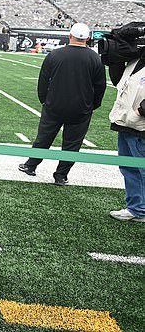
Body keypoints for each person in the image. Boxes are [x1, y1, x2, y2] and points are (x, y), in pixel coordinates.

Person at [19, 23, 106, 185]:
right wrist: (92, 105)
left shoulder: (55, 55)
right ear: (87, 38)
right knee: (72, 144)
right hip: (81, 108)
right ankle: (61, 175)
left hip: (54, 105)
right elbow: (100, 86)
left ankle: (31, 165)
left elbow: (43, 81)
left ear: (70, 35)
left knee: (44, 137)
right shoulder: (95, 58)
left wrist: (45, 100)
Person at [107, 48, 145, 223]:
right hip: (125, 122)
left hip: (140, 124)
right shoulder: (135, 58)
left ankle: (140, 209)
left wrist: (140, 111)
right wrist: (114, 58)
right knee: (128, 167)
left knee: (141, 169)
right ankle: (136, 208)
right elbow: (119, 81)